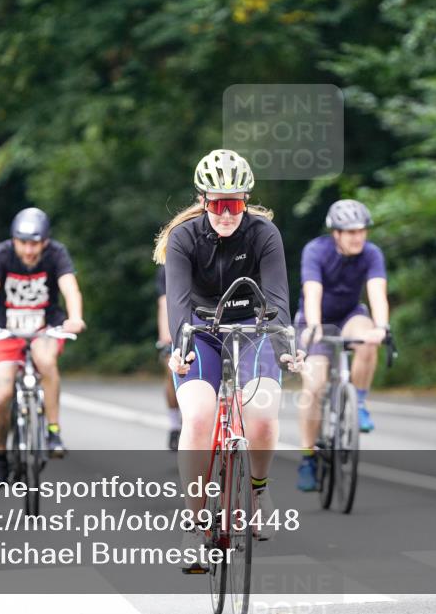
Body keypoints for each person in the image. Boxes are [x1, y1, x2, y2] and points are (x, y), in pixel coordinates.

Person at [153, 149, 304, 572]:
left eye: (234, 203)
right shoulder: (184, 238)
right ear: (203, 201)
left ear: (245, 201)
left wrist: (284, 343)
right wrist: (180, 352)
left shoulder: (263, 233)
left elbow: (276, 298)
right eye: (218, 204)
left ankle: (257, 490)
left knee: (261, 412)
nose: (226, 213)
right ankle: (193, 523)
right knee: (199, 417)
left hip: (253, 330)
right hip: (200, 332)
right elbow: (178, 306)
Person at [0, 207, 86, 481]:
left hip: (45, 327)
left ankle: (53, 432)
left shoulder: (56, 253)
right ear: (14, 240)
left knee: (46, 362)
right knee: (0, 395)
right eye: (23, 243)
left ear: (45, 241)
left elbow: (70, 287)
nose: (29, 250)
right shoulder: (1, 254)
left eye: (35, 243)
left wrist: (76, 317)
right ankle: (1, 457)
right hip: (4, 330)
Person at [295, 199, 390, 492]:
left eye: (361, 231)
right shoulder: (316, 251)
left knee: (368, 339)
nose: (358, 237)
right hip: (316, 321)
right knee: (314, 387)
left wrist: (382, 327)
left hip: (349, 315)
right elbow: (312, 293)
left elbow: (377, 293)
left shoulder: (371, 254)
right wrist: (313, 328)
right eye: (350, 232)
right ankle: (308, 457)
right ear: (335, 233)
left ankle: (358, 402)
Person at [155, 265, 182, 451]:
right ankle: (174, 425)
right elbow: (164, 302)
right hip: (176, 325)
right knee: (172, 374)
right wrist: (166, 336)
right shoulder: (168, 267)